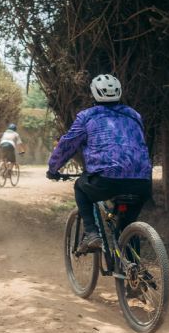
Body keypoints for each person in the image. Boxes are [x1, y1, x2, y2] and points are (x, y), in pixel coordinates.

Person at [46, 74, 152, 251]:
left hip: (105, 180)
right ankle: (135, 272)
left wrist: (53, 169)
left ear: (93, 94)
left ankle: (91, 234)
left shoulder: (87, 117)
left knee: (80, 187)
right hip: (142, 181)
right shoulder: (134, 115)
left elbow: (67, 145)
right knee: (127, 226)